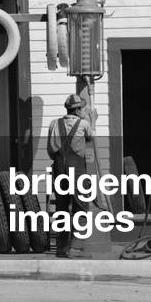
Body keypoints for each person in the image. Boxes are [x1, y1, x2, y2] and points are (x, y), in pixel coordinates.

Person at [47, 92, 96, 257]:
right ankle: (75, 248)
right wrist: (93, 120)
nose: (83, 111)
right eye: (82, 108)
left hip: (59, 170)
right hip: (78, 171)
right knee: (81, 208)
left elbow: (50, 150)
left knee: (61, 209)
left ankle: (61, 247)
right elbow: (91, 139)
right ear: (77, 111)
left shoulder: (54, 124)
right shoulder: (84, 124)